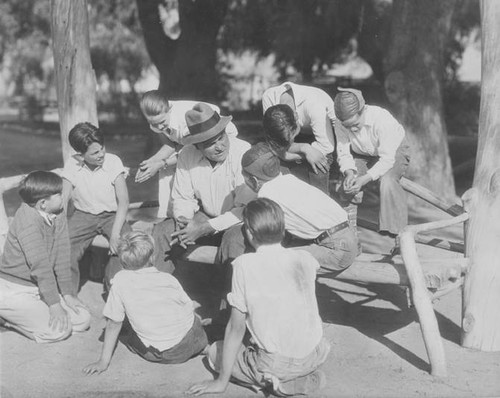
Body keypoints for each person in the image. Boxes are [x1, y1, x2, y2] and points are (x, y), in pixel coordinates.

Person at [187, 198, 330, 396]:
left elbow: (236, 328)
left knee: (214, 352)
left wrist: (221, 382)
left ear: (249, 233)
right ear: (283, 230)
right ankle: (297, 378)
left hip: (276, 363)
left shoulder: (244, 265)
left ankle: (272, 383)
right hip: (317, 352)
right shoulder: (305, 258)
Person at [220, 142, 358, 274]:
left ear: (254, 181)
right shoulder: (290, 180)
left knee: (269, 263)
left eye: (246, 179)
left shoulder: (266, 195)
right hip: (348, 236)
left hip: (336, 249)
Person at [82, 231, 208, 374]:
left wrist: (103, 361)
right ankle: (205, 348)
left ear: (122, 262)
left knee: (131, 337)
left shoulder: (120, 281)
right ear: (153, 257)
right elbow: (188, 307)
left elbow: (113, 324)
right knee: (192, 321)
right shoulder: (167, 278)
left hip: (162, 355)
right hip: (190, 343)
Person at [152, 103, 255, 275]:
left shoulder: (242, 151)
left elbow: (244, 209)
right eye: (210, 143)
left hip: (237, 219)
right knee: (162, 232)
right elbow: (182, 197)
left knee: (234, 239)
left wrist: (206, 227)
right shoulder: (187, 154)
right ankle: (160, 292)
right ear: (197, 146)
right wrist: (183, 220)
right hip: (205, 215)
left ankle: (231, 300)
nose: (219, 146)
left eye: (221, 138)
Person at [0, 171, 90, 343]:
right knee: (58, 332)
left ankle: (29, 315)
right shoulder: (28, 221)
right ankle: (7, 321)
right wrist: (55, 304)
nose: (63, 195)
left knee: (82, 320)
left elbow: (63, 255)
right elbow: (40, 266)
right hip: (13, 289)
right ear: (42, 203)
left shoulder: (58, 211)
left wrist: (67, 294)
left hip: (36, 288)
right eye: (58, 194)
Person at [136, 90, 239, 218]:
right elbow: (171, 144)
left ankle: (201, 212)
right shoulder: (158, 123)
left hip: (216, 139)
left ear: (169, 109)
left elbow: (186, 154)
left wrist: (162, 163)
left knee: (193, 172)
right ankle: (173, 214)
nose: (160, 127)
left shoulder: (187, 120)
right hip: (198, 145)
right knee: (165, 172)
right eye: (153, 124)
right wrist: (151, 162)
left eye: (162, 122)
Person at [61, 122, 131, 291]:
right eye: (94, 153)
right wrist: (59, 227)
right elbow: (63, 199)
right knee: (64, 249)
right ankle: (69, 294)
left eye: (102, 149)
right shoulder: (72, 164)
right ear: (80, 154)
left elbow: (124, 202)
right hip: (83, 215)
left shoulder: (113, 162)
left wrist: (115, 234)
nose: (101, 154)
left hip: (112, 215)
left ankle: (112, 289)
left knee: (126, 245)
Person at [334, 87, 410, 237]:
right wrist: (349, 172)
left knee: (388, 181)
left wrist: (365, 178)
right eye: (348, 126)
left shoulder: (381, 119)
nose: (353, 129)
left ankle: (398, 238)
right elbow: (343, 152)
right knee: (346, 184)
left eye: (355, 124)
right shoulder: (340, 123)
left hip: (393, 152)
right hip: (363, 153)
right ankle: (349, 235)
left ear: (363, 110)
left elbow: (387, 159)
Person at [261, 82, 336, 194]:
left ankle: (320, 201)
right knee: (275, 165)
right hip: (299, 141)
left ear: (297, 116)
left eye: (292, 137)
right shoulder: (269, 97)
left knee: (319, 163)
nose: (290, 143)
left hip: (324, 137)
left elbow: (327, 147)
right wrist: (305, 149)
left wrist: (290, 153)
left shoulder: (314, 104)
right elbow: (275, 143)